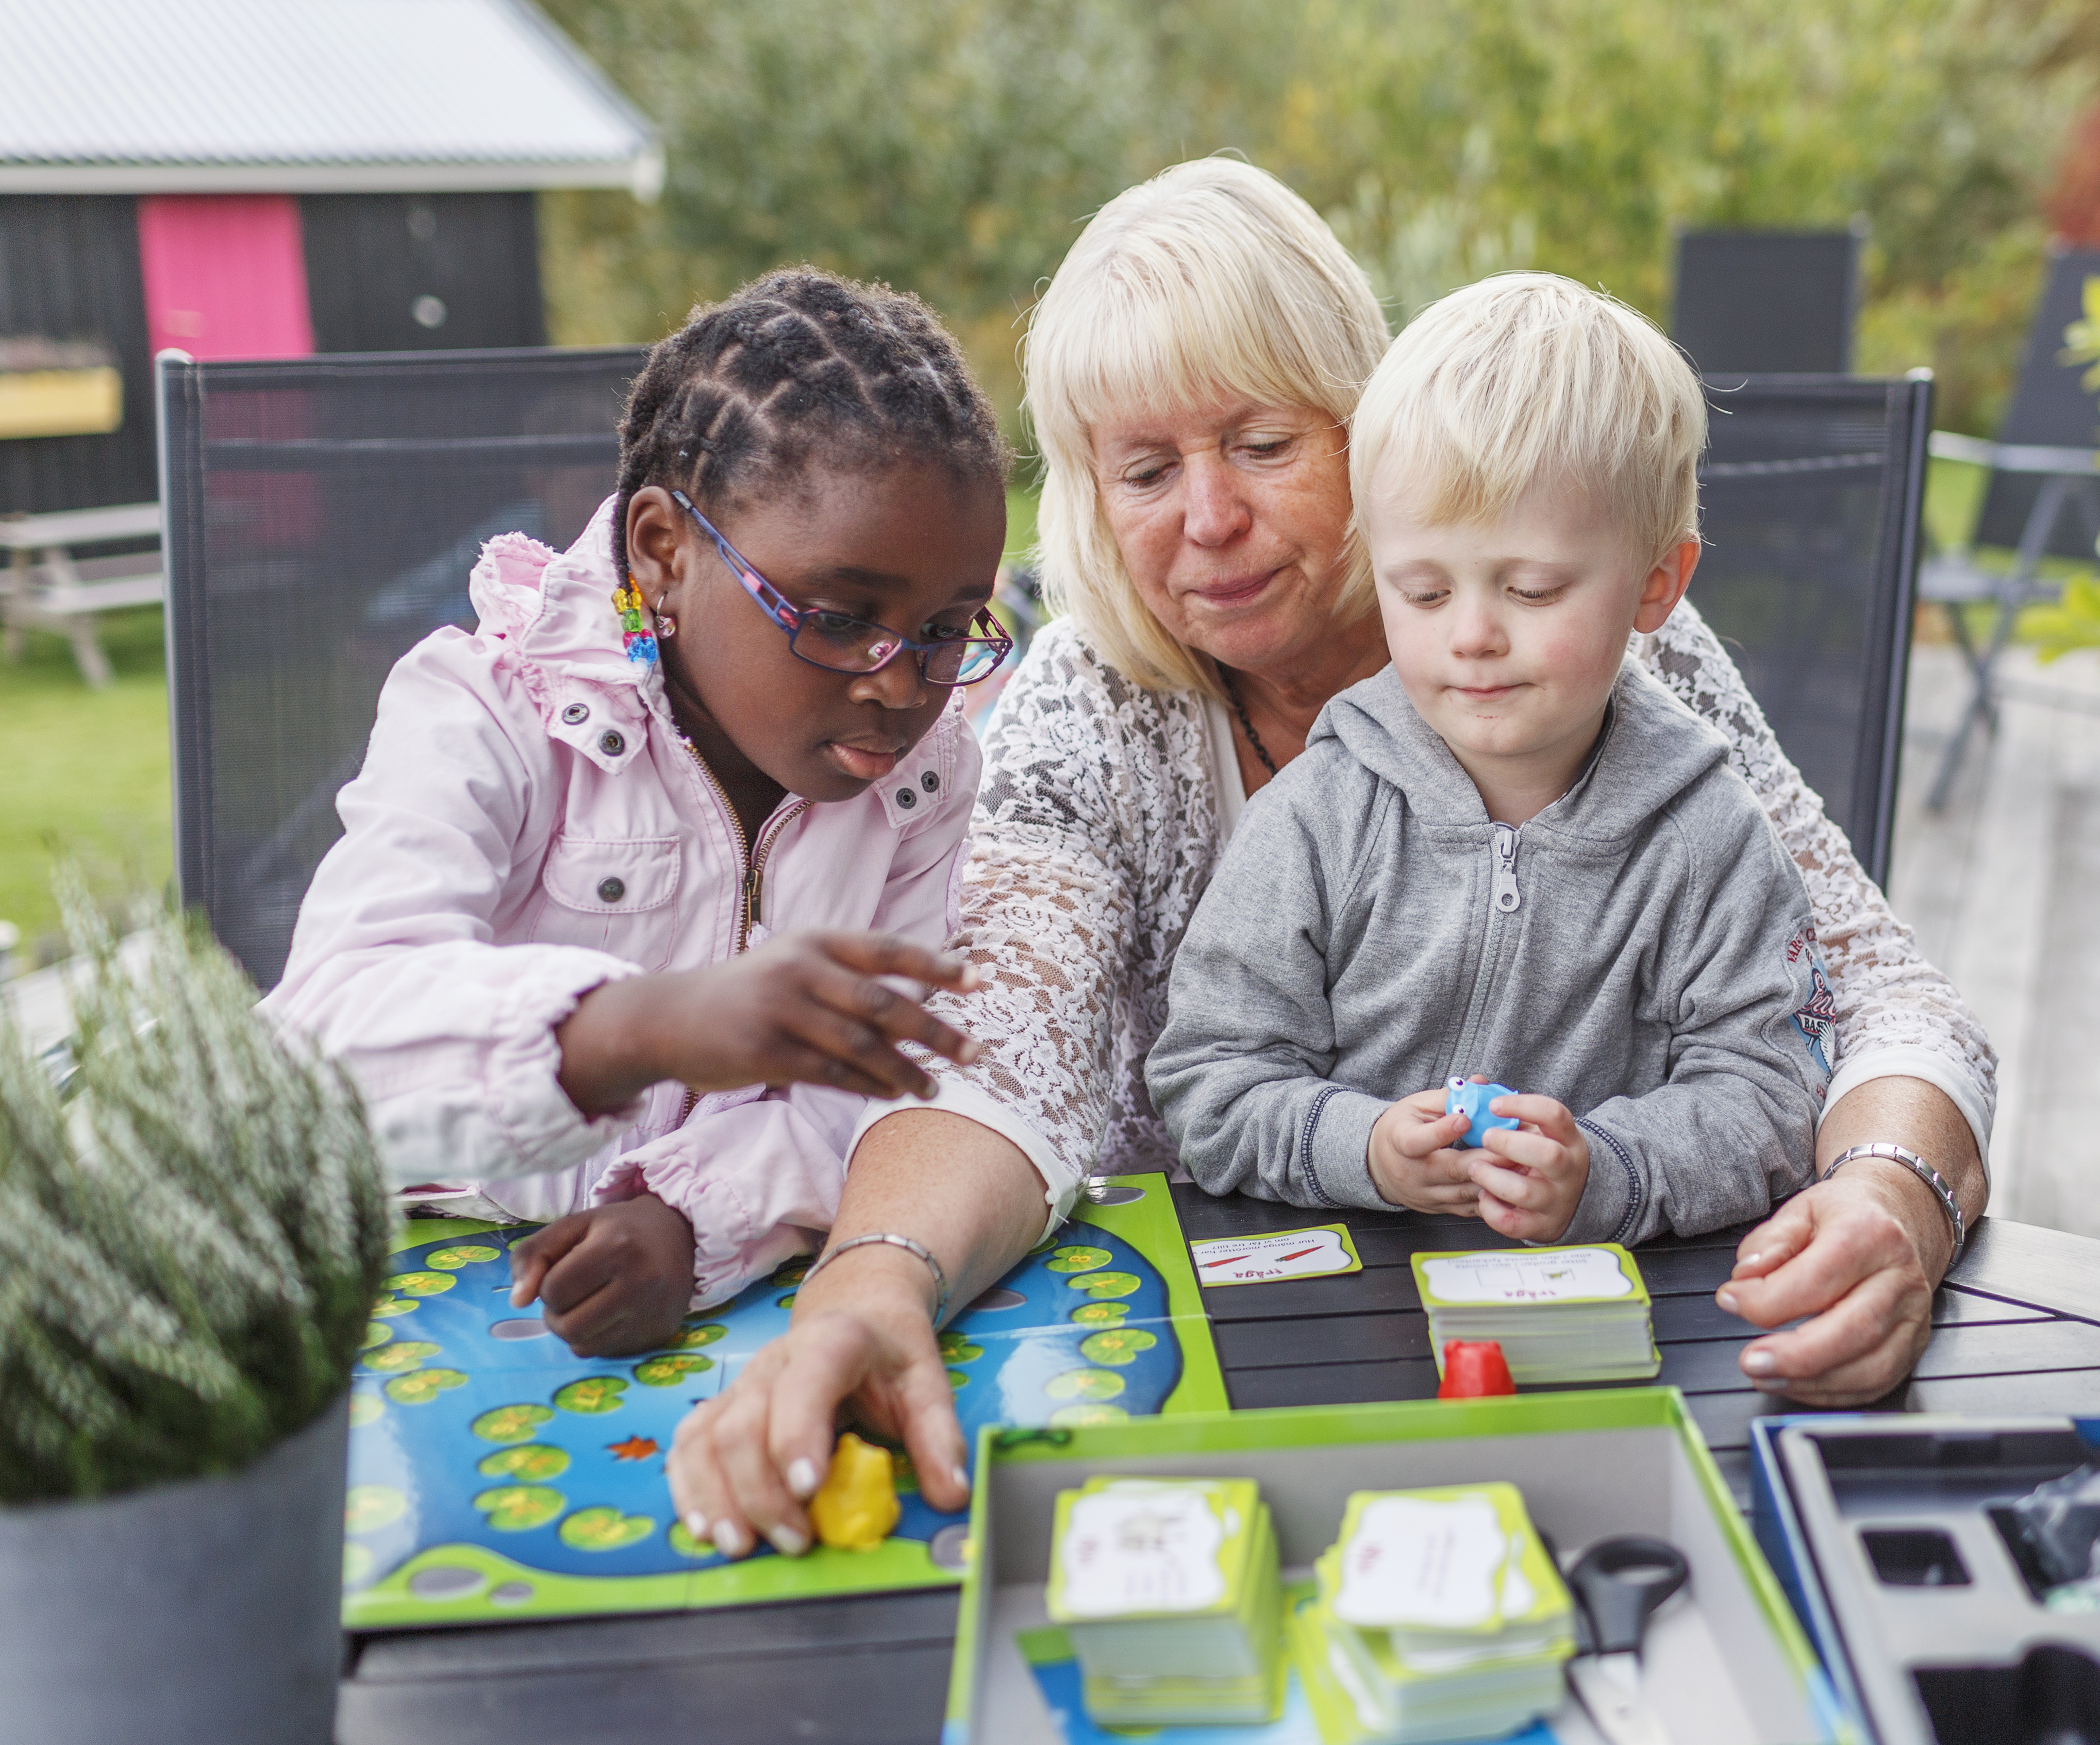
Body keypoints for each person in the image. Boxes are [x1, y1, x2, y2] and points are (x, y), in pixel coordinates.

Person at [666, 160, 1994, 1560]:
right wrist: (872, 1288)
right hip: (1238, 1382)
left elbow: (1877, 992)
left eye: (1260, 441)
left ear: (1371, 432)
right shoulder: (1094, 700)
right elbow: (1009, 1050)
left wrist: (1892, 1198)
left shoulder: (1601, 641)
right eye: (1146, 469)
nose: (1208, 520)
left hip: (1602, 1357)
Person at [261, 269, 1011, 1385]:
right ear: (664, 551)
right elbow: (319, 1045)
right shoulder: (490, 709)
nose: (903, 684)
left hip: (713, 1315)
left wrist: (688, 1217)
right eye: (841, 618)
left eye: (949, 628)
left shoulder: (923, 775)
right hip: (414, 1298)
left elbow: (864, 1095)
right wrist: (636, 1027)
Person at [1149, 272, 1830, 1245]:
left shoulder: (1705, 836)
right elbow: (1210, 1077)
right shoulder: (1319, 817)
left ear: (1655, 584)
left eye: (1534, 589)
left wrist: (1608, 1168)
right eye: (1423, 593)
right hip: (1345, 1311)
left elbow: (1771, 1092)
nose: (1472, 634)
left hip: (1613, 1312)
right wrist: (1368, 1147)